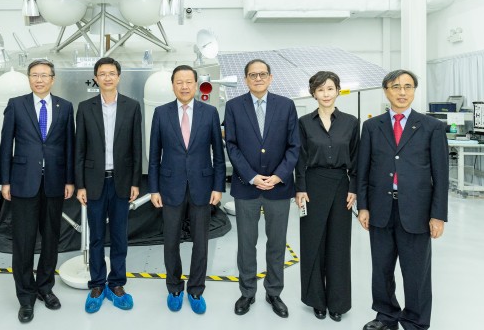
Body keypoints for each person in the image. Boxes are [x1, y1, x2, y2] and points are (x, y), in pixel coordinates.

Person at [357, 70, 448, 330]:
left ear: (414, 90)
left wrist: (438, 214)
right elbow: (363, 169)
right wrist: (363, 206)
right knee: (382, 268)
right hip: (381, 208)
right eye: (396, 86)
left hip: (417, 210)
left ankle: (415, 320)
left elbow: (441, 175)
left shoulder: (432, 127)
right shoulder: (372, 127)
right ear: (386, 91)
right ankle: (386, 316)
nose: (402, 92)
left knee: (416, 271)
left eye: (408, 86)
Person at [0, 59, 75, 324]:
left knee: (51, 238)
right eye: (34, 75)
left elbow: (69, 146)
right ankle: (26, 297)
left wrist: (69, 180)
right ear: (28, 79)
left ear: (53, 79)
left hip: (54, 182)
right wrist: (4, 181)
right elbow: (6, 143)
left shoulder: (65, 107)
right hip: (22, 183)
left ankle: (45, 287)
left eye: (44, 75)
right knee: (23, 242)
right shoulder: (16, 105)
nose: (39, 80)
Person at [224, 58, 300, 318]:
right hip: (247, 187)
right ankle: (247, 292)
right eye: (252, 75)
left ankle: (274, 292)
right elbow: (231, 146)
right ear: (246, 79)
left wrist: (278, 176)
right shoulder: (234, 107)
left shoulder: (286, 106)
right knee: (247, 244)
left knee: (277, 243)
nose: (258, 78)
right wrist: (253, 176)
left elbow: (294, 146)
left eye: (262, 74)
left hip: (279, 189)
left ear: (270, 77)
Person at [148, 64, 226, 314]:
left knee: (201, 242)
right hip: (170, 187)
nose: (184, 86)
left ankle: (195, 289)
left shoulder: (210, 112)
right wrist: (154, 189)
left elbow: (218, 153)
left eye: (188, 82)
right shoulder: (161, 113)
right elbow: (153, 154)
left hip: (203, 186)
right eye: (179, 82)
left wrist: (218, 186)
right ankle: (173, 287)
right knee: (170, 240)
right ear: (173, 85)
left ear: (195, 84)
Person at [75, 57, 142, 313]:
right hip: (93, 182)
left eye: (111, 73)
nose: (107, 77)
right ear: (96, 78)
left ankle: (116, 284)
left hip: (122, 181)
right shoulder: (84, 107)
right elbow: (79, 148)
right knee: (96, 237)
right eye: (102, 73)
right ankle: (97, 284)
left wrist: (136, 181)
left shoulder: (132, 107)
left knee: (119, 236)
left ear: (119, 77)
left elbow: (137, 147)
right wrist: (80, 184)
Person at [294, 71, 359, 322]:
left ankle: (338, 303)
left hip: (342, 185)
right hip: (312, 185)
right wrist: (300, 188)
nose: (326, 94)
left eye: (330, 88)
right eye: (320, 90)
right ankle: (316, 300)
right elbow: (299, 158)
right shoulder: (304, 122)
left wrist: (354, 187)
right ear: (313, 94)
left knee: (339, 245)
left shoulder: (351, 122)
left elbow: (356, 158)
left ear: (338, 90)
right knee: (313, 244)